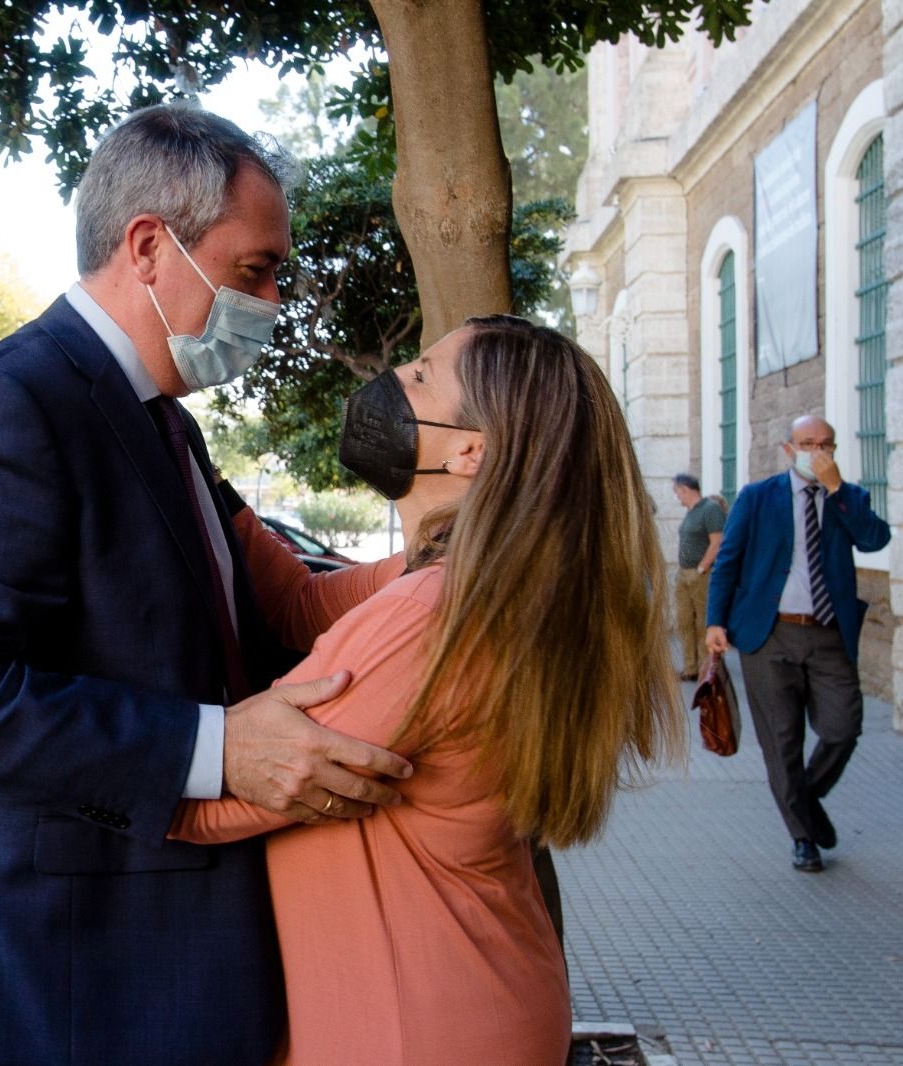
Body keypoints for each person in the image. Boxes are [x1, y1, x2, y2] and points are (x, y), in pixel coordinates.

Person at [0, 105, 415, 1066]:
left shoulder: (167, 417)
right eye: (255, 270)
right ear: (146, 247)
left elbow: (278, 607)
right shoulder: (12, 401)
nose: (276, 300)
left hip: (162, 955)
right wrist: (216, 748)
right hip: (64, 979)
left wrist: (452, 561)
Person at [171, 315, 685, 1066]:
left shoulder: (430, 618)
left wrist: (52, 748)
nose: (390, 388)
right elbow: (300, 605)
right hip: (477, 995)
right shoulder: (493, 585)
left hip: (415, 1026)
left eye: (417, 376)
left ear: (471, 450)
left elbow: (238, 793)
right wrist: (209, 484)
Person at [704, 415, 892, 872]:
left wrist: (838, 491)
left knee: (843, 727)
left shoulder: (849, 498)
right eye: (808, 443)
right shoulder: (757, 497)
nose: (817, 452)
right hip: (768, 635)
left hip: (828, 633)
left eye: (825, 444)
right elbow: (728, 561)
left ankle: (805, 798)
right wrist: (715, 622)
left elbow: (875, 539)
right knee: (782, 741)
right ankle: (803, 836)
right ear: (789, 449)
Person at [672, 473, 725, 681]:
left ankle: (707, 669)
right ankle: (690, 667)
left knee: (703, 621)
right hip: (684, 574)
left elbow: (718, 541)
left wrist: (702, 567)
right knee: (684, 621)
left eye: (677, 493)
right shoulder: (690, 512)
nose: (678, 498)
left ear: (685, 489)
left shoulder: (710, 509)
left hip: (700, 574)